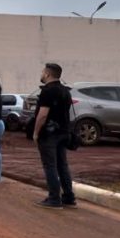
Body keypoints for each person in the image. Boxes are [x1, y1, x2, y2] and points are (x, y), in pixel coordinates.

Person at [32, 62, 77, 209]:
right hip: (64, 132)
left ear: (47, 74)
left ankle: (54, 198)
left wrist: (36, 132)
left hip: (49, 134)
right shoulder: (65, 91)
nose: (41, 74)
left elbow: (42, 115)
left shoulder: (47, 91)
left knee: (50, 166)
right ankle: (69, 197)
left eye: (42, 71)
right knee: (62, 166)